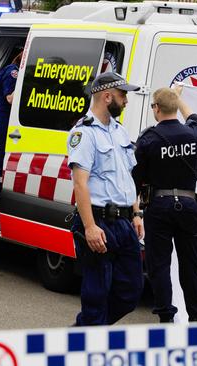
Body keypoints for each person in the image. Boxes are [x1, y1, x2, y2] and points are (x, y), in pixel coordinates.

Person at [67, 72, 144, 326]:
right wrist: (89, 227)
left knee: (130, 291)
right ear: (107, 96)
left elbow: (128, 177)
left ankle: (83, 332)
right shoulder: (84, 133)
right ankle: (90, 339)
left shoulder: (120, 131)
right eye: (123, 95)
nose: (126, 101)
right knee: (96, 294)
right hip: (99, 220)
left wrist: (136, 213)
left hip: (124, 223)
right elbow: (80, 183)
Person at [132, 85, 197, 323]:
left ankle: (166, 317)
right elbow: (196, 118)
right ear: (175, 107)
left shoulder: (148, 139)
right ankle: (195, 316)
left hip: (159, 206)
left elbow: (136, 179)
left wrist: (136, 213)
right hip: (189, 205)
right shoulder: (193, 133)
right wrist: (178, 98)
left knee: (160, 265)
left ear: (156, 109)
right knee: (191, 265)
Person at [0, 50, 21, 181]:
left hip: (0, 119)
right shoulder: (13, 71)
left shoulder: (11, 69)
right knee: (2, 161)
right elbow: (10, 99)